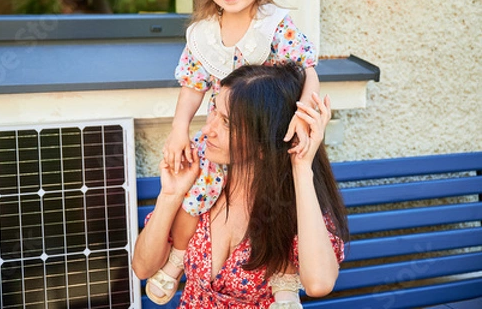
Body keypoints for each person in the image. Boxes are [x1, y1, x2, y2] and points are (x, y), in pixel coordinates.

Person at [154, 0, 320, 305]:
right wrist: (179, 128)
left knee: (278, 207)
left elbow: (307, 71)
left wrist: (303, 114)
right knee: (196, 196)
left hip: (269, 140)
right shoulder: (203, 34)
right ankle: (177, 260)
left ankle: (283, 280)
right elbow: (193, 85)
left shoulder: (275, 25)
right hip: (223, 139)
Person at [133, 63, 349, 308]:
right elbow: (142, 268)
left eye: (227, 122)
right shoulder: (202, 189)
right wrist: (170, 195)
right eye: (214, 110)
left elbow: (319, 284)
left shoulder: (293, 205)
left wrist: (301, 169)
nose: (207, 130)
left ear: (264, 142)